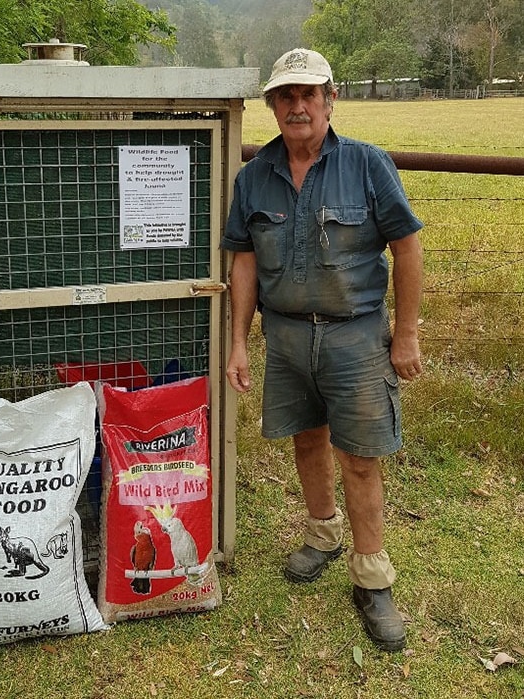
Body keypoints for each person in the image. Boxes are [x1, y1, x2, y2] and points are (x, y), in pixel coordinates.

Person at [222, 48, 423, 652]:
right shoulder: (254, 176)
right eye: (286, 96)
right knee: (306, 437)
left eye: (310, 94)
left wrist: (407, 332)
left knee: (360, 455)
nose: (299, 105)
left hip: (356, 334)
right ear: (273, 107)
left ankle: (371, 575)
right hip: (283, 334)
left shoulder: (367, 165)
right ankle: (322, 533)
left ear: (331, 99)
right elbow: (244, 258)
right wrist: (238, 341)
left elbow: (407, 249)